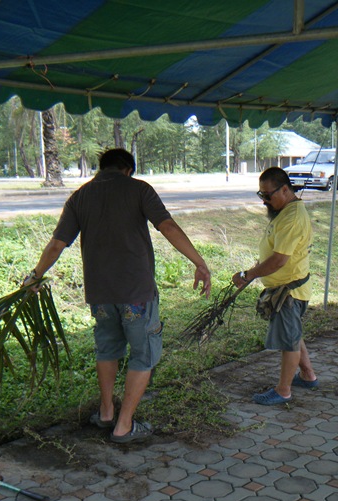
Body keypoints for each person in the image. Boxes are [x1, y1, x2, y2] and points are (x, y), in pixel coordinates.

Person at [24, 148, 211, 443]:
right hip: (135, 291)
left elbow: (56, 245)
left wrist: (34, 276)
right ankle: (124, 426)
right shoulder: (139, 189)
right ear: (127, 169)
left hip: (100, 293)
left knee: (107, 349)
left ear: (103, 168)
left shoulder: (80, 197)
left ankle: (107, 411)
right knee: (144, 353)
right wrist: (199, 262)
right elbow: (168, 227)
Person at [232, 167, 317, 406]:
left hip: (288, 291)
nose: (264, 201)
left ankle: (283, 390)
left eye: (268, 195)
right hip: (286, 289)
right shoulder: (285, 212)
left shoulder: (291, 218)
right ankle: (308, 375)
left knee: (289, 342)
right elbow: (273, 253)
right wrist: (253, 272)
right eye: (261, 195)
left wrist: (248, 274)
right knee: (294, 334)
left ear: (285, 189)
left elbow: (279, 259)